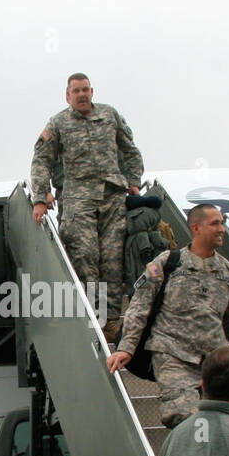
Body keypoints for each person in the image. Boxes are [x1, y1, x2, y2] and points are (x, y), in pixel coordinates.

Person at [108, 204, 229, 429]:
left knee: (224, 423)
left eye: (222, 223)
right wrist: (126, 347)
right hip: (172, 354)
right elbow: (139, 306)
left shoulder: (227, 272)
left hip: (214, 360)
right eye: (215, 223)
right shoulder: (168, 263)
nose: (222, 229)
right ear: (196, 228)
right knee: (186, 417)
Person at [29, 73, 144, 336]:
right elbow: (41, 160)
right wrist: (40, 197)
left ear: (92, 91)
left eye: (85, 90)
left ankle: (112, 321)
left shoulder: (110, 115)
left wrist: (134, 181)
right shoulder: (58, 123)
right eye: (76, 91)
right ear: (67, 96)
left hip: (112, 197)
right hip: (77, 200)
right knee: (86, 257)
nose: (81, 95)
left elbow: (130, 150)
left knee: (113, 260)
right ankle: (95, 317)